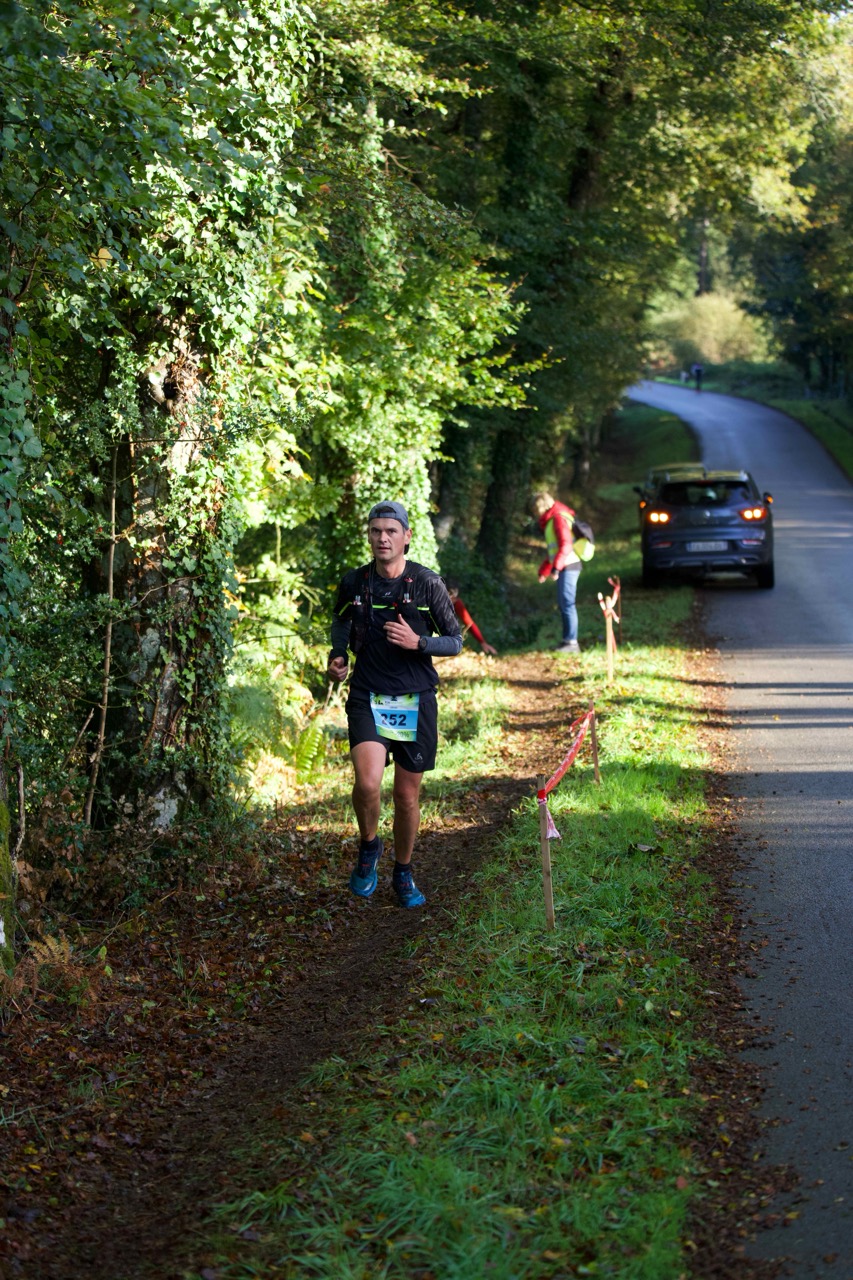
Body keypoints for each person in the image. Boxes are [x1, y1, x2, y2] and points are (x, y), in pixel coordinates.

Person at [327, 500, 462, 908]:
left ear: (406, 536)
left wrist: (419, 642)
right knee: (368, 783)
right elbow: (340, 619)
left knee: (406, 796)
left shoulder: (427, 583)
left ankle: (403, 871)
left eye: (390, 531)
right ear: (368, 536)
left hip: (415, 699)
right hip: (368, 694)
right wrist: (338, 655)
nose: (382, 538)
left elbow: (455, 641)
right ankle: (370, 845)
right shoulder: (355, 582)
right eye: (375, 531)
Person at [530, 491, 585, 653]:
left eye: (536, 509)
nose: (536, 513)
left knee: (567, 604)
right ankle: (567, 640)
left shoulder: (557, 518)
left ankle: (572, 643)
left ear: (541, 506)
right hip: (564, 565)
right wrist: (544, 570)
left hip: (569, 565)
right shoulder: (552, 519)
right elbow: (553, 551)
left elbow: (566, 545)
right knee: (563, 604)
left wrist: (556, 568)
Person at [445, 582, 497, 655]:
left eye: (454, 598)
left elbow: (469, 623)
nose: (452, 601)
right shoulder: (435, 599)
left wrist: (482, 642)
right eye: (450, 597)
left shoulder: (456, 603)